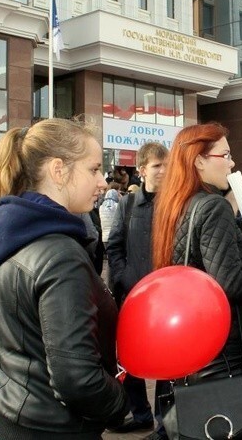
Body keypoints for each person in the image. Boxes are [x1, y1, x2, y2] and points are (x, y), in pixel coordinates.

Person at [0, 119, 129, 438]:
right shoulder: (61, 254)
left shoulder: (3, 237)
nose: (102, 181)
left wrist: (8, 386)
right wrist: (119, 404)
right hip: (49, 428)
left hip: (2, 420)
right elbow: (77, 379)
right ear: (59, 170)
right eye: (94, 169)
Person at [152, 123, 242, 437]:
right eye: (224, 155)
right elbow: (228, 286)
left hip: (189, 357)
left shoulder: (175, 206)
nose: (232, 162)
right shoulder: (212, 208)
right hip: (225, 361)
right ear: (198, 160)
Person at [106, 142, 168, 434]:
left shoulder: (176, 203)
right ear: (142, 170)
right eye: (157, 166)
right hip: (133, 295)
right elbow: (114, 245)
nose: (164, 171)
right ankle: (140, 412)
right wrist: (123, 275)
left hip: (167, 299)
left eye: (166, 164)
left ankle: (166, 418)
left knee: (169, 358)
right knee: (129, 356)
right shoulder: (127, 204)